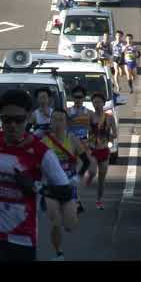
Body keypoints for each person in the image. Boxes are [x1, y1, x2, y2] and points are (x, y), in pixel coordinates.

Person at [0, 89, 72, 261]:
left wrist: (35, 186)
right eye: (7, 120)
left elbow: (66, 191)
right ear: (1, 118)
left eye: (19, 120)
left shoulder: (41, 152)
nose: (13, 125)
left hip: (23, 236)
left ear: (28, 117)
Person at [41, 108, 91, 260]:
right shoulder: (44, 142)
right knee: (55, 222)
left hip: (69, 186)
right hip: (51, 187)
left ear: (67, 123)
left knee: (69, 225)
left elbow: (86, 162)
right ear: (50, 122)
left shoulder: (73, 140)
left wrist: (78, 176)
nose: (58, 123)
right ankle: (59, 253)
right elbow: (35, 163)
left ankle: (74, 207)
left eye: (61, 120)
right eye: (54, 119)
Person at [83, 92, 117, 210]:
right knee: (92, 171)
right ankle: (82, 189)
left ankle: (99, 200)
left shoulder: (110, 117)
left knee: (102, 178)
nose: (96, 104)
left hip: (104, 150)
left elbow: (115, 133)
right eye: (94, 102)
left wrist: (109, 136)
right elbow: (85, 131)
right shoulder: (90, 117)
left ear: (103, 103)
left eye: (99, 102)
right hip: (92, 149)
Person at [67, 85, 97, 212]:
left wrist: (92, 141)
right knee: (74, 172)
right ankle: (77, 200)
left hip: (85, 145)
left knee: (93, 170)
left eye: (80, 97)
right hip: (72, 146)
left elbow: (95, 130)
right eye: (75, 97)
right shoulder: (68, 112)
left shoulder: (89, 113)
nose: (78, 99)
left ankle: (78, 193)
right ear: (72, 98)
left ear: (84, 98)